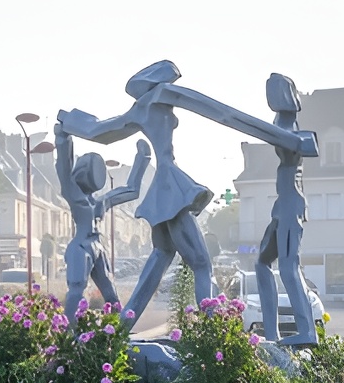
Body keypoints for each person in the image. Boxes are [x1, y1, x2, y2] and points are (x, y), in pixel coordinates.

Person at [59, 60, 317, 332]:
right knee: (202, 264)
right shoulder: (163, 93)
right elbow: (221, 113)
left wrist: (67, 123)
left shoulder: (139, 108)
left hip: (162, 190)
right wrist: (287, 139)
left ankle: (120, 331)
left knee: (159, 260)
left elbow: (99, 131)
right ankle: (214, 332)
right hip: (171, 186)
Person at [55, 126, 150, 309]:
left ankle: (118, 326)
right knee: (76, 290)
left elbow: (131, 190)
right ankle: (69, 327)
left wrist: (142, 159)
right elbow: (64, 169)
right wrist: (63, 138)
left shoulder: (101, 202)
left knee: (111, 295)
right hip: (81, 247)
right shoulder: (75, 196)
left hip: (98, 247)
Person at [254, 74, 318, 346]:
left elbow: (302, 144)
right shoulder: (281, 124)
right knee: (262, 263)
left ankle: (307, 331)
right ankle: (271, 332)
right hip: (281, 206)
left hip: (291, 205)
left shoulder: (291, 127)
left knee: (289, 267)